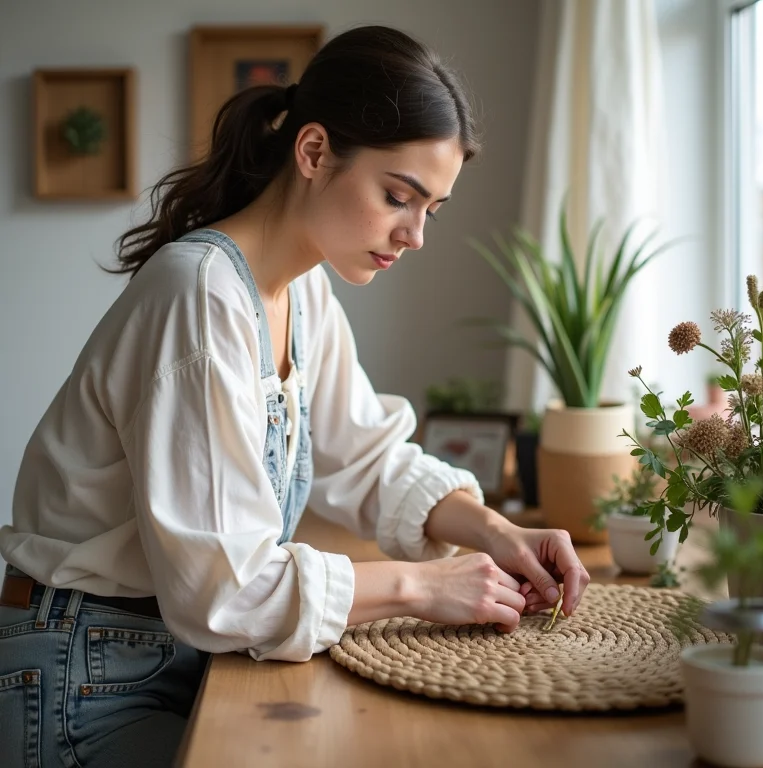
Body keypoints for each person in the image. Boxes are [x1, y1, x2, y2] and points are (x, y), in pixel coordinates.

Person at [0, 24, 590, 767]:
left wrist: (494, 533)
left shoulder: (304, 291)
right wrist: (423, 586)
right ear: (313, 153)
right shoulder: (200, 294)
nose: (413, 235)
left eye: (430, 210)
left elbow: (365, 458)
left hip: (173, 656)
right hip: (84, 676)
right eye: (397, 196)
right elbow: (227, 591)